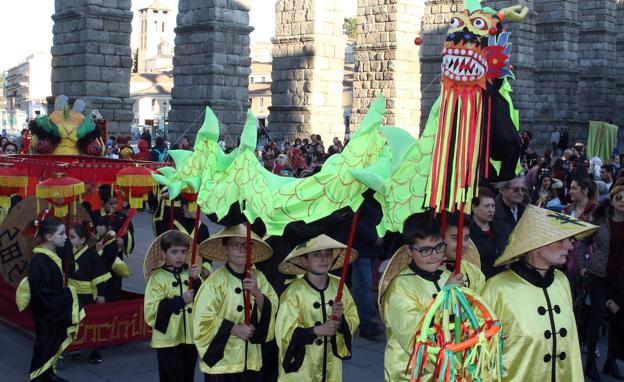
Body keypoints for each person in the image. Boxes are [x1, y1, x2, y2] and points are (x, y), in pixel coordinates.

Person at [481, 205, 597, 382]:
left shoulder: (561, 281)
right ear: (535, 244)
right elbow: (480, 355)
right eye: (561, 239)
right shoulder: (497, 289)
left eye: (569, 239)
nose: (569, 246)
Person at [378, 212, 463, 381]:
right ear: (409, 250)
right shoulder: (400, 287)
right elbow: (415, 335)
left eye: (439, 247)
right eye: (425, 250)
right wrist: (445, 294)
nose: (434, 255)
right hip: (411, 371)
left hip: (448, 367)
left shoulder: (448, 275)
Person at [193, 225, 278, 381]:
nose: (242, 249)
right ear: (225, 248)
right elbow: (202, 319)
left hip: (251, 361)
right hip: (222, 364)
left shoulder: (259, 278)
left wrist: (257, 293)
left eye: (247, 245)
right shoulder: (214, 283)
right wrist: (233, 328)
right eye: (235, 245)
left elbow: (273, 306)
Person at [275, 234, 359, 381]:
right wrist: (317, 330)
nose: (324, 258)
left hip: (331, 368)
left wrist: (341, 321)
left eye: (328, 254)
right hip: (303, 370)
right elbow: (284, 333)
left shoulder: (339, 286)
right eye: (317, 255)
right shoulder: (293, 292)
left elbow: (353, 318)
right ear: (304, 260)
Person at [26, 218, 84, 381]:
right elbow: (42, 293)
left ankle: (48, 373)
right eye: (61, 234)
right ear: (49, 237)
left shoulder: (53, 255)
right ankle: (38, 376)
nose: (66, 237)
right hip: (45, 311)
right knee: (44, 342)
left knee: (52, 342)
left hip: (52, 308)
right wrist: (68, 295)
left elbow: (70, 266)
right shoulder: (39, 261)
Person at [144, 231, 201, 382]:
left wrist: (196, 280)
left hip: (189, 335)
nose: (180, 256)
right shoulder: (157, 278)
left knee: (188, 374)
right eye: (174, 252)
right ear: (163, 254)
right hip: (168, 338)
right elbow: (152, 310)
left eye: (183, 252)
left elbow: (204, 300)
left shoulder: (190, 273)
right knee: (170, 377)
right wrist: (181, 300)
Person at [583, 178, 624, 380]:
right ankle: (590, 363)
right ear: (613, 198)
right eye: (619, 197)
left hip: (620, 279)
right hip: (599, 275)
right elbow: (582, 241)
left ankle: (611, 362)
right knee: (596, 319)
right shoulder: (600, 218)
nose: (623, 201)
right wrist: (583, 266)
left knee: (618, 320)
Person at [68, 222, 111, 364]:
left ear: (82, 240)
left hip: (86, 295)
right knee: (73, 321)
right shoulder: (67, 253)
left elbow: (100, 277)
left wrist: (101, 294)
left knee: (90, 323)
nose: (69, 239)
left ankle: (95, 350)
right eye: (68, 236)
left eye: (72, 237)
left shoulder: (92, 256)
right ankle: (74, 347)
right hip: (70, 292)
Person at [351, 197, 384, 339]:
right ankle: (365, 324)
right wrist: (374, 236)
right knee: (363, 287)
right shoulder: (361, 199)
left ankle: (366, 318)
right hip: (361, 249)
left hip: (369, 249)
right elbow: (355, 222)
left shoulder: (374, 198)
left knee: (365, 286)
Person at [442, 212, 485, 293]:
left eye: (466, 238)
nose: (463, 244)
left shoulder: (474, 272)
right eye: (455, 238)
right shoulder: (430, 275)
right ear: (439, 238)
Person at [469, 187, 506, 278]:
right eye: (486, 206)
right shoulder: (468, 232)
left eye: (493, 206)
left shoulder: (499, 227)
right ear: (474, 208)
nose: (491, 210)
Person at [493, 176, 526, 247]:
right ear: (503, 190)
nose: (521, 193)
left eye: (523, 189)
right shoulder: (492, 212)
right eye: (516, 190)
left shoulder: (525, 210)